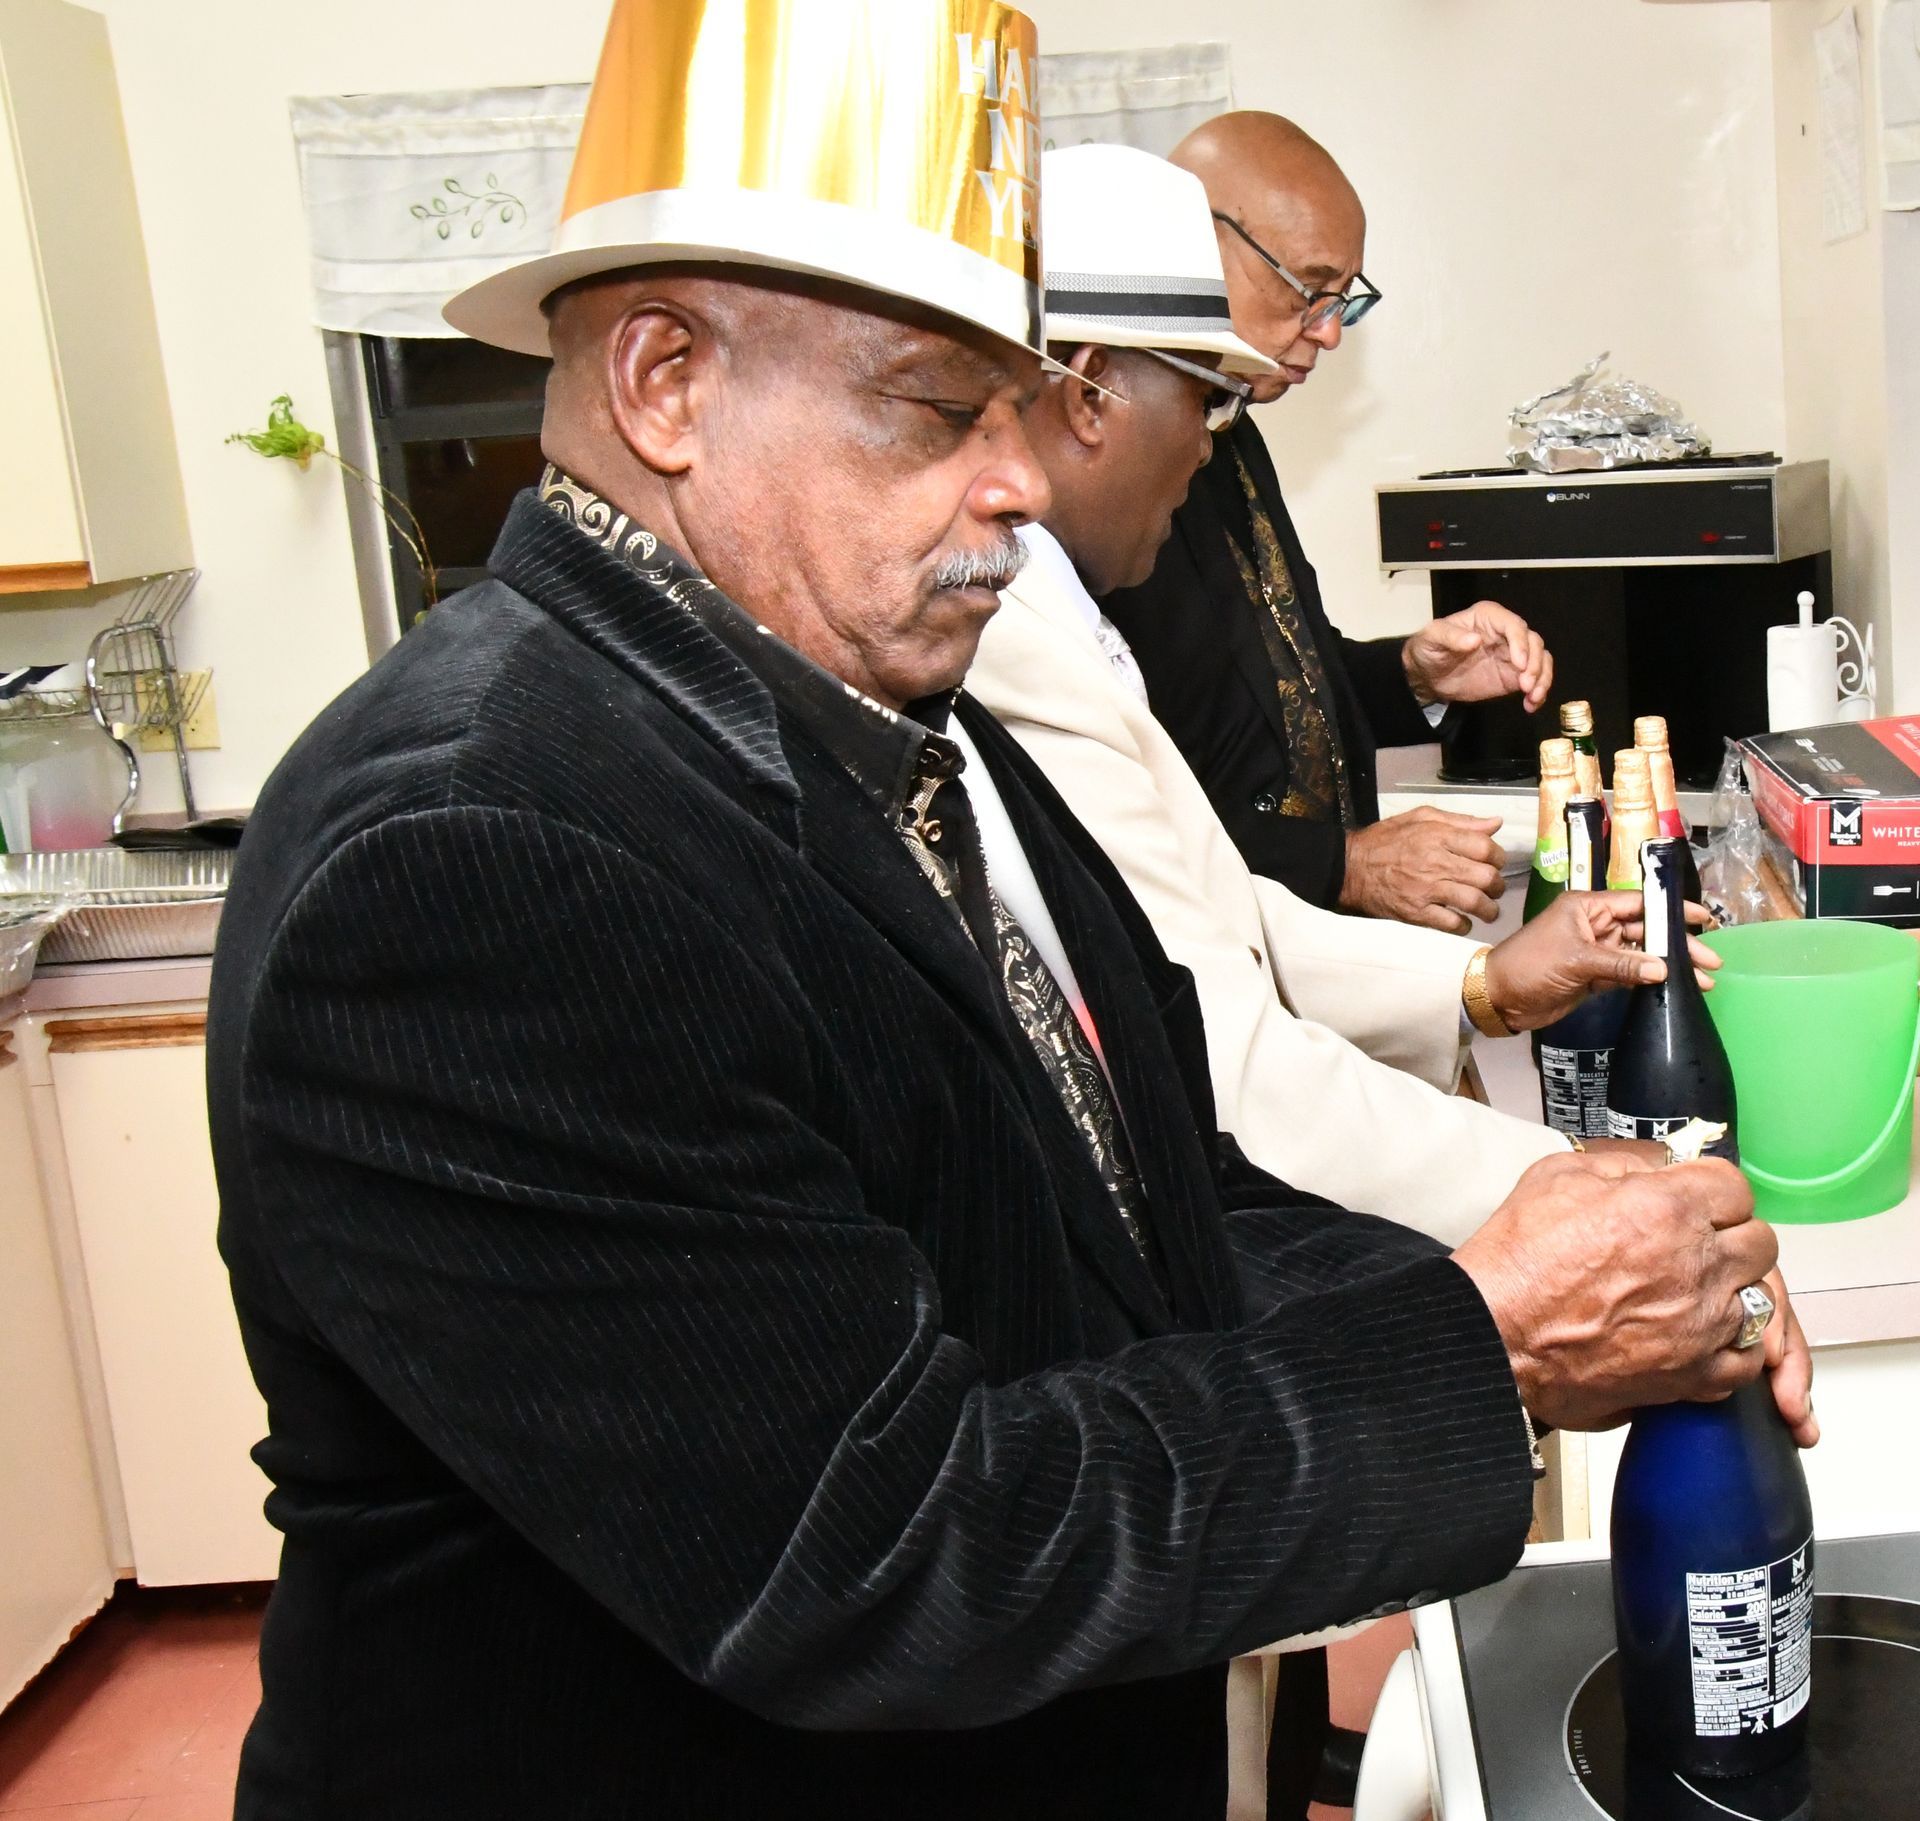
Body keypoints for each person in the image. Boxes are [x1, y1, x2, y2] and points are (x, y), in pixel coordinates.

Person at [207, 7, 1809, 1819]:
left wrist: (1598, 1268)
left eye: (1018, 402)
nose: (1025, 481)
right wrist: (1491, 1334)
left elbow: (1149, 1223)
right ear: (665, 382)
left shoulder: (896, 718)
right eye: (938, 409)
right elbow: (881, 1550)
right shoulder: (480, 849)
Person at [968, 141, 1756, 1821]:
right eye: (1211, 388)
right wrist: (1580, 1197)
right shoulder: (1005, 622)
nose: (1228, 428)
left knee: (1247, 1690)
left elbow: (1213, 911)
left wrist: (1481, 983)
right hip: (1166, 1277)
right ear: (1086, 389)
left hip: (1210, 1240)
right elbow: (1223, 1039)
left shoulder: (1113, 557)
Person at [1103, 112, 1549, 932]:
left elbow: (1278, 688)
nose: (1331, 331)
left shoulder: (1235, 429)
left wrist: (1414, 674)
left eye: (1344, 300)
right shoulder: (1106, 471)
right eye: (1308, 290)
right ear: (1199, 241)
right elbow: (1117, 805)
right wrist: (1344, 865)